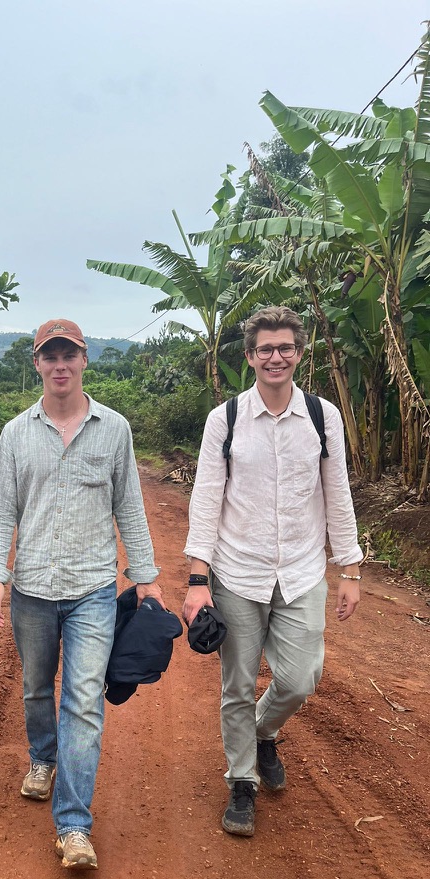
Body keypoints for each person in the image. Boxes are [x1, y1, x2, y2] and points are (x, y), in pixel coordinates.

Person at [0, 318, 163, 870]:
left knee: (83, 701)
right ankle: (42, 756)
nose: (60, 365)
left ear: (84, 360)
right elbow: (2, 509)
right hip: (32, 588)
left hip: (93, 590)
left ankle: (74, 826)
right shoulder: (15, 433)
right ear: (36, 363)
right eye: (49, 356)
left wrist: (145, 575)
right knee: (37, 687)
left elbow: (129, 505)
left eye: (69, 354)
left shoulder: (115, 429)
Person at [182, 306, 363, 838]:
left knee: (300, 678)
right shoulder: (226, 419)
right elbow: (206, 499)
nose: (275, 357)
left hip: (302, 571)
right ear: (250, 356)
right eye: (265, 349)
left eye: (285, 347)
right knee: (237, 683)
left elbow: (337, 492)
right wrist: (198, 580)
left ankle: (263, 732)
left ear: (299, 353)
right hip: (238, 572)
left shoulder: (323, 417)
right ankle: (242, 781)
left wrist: (350, 568)